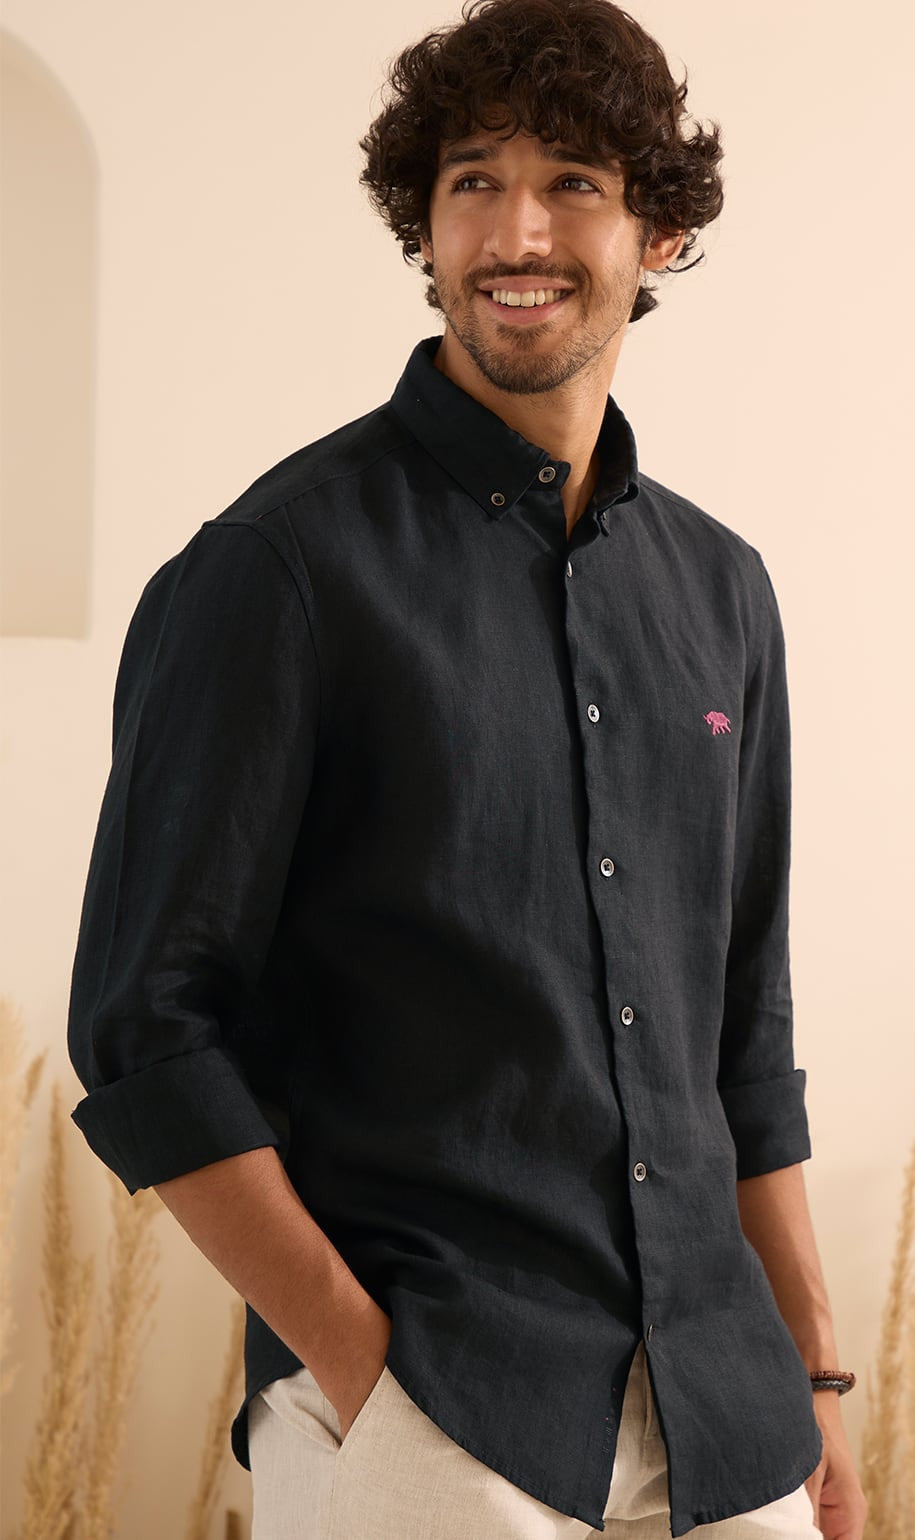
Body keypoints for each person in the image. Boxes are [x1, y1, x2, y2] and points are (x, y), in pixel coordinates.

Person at [66, 1, 867, 1536]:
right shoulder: (279, 570)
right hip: (438, 1411)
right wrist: (363, 1369)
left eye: (574, 183)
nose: (517, 232)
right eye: (473, 181)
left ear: (662, 230)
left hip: (729, 1412)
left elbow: (744, 1025)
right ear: (422, 226)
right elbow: (144, 1028)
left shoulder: (723, 592)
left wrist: (813, 1371)